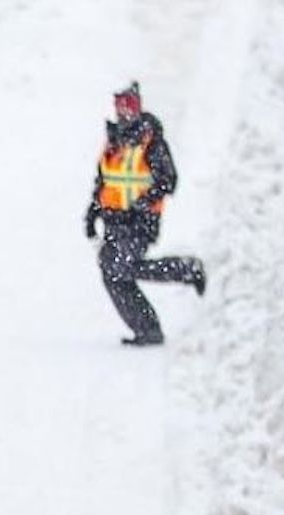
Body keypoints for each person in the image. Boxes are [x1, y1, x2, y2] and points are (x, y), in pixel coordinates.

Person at [85, 82, 206, 347]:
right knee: (112, 273)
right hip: (114, 222)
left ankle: (185, 269)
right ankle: (148, 329)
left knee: (121, 267)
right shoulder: (113, 140)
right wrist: (92, 212)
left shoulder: (151, 140)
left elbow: (168, 180)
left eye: (129, 103)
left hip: (141, 223)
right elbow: (104, 180)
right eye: (119, 104)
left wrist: (144, 202)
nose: (124, 110)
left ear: (139, 105)